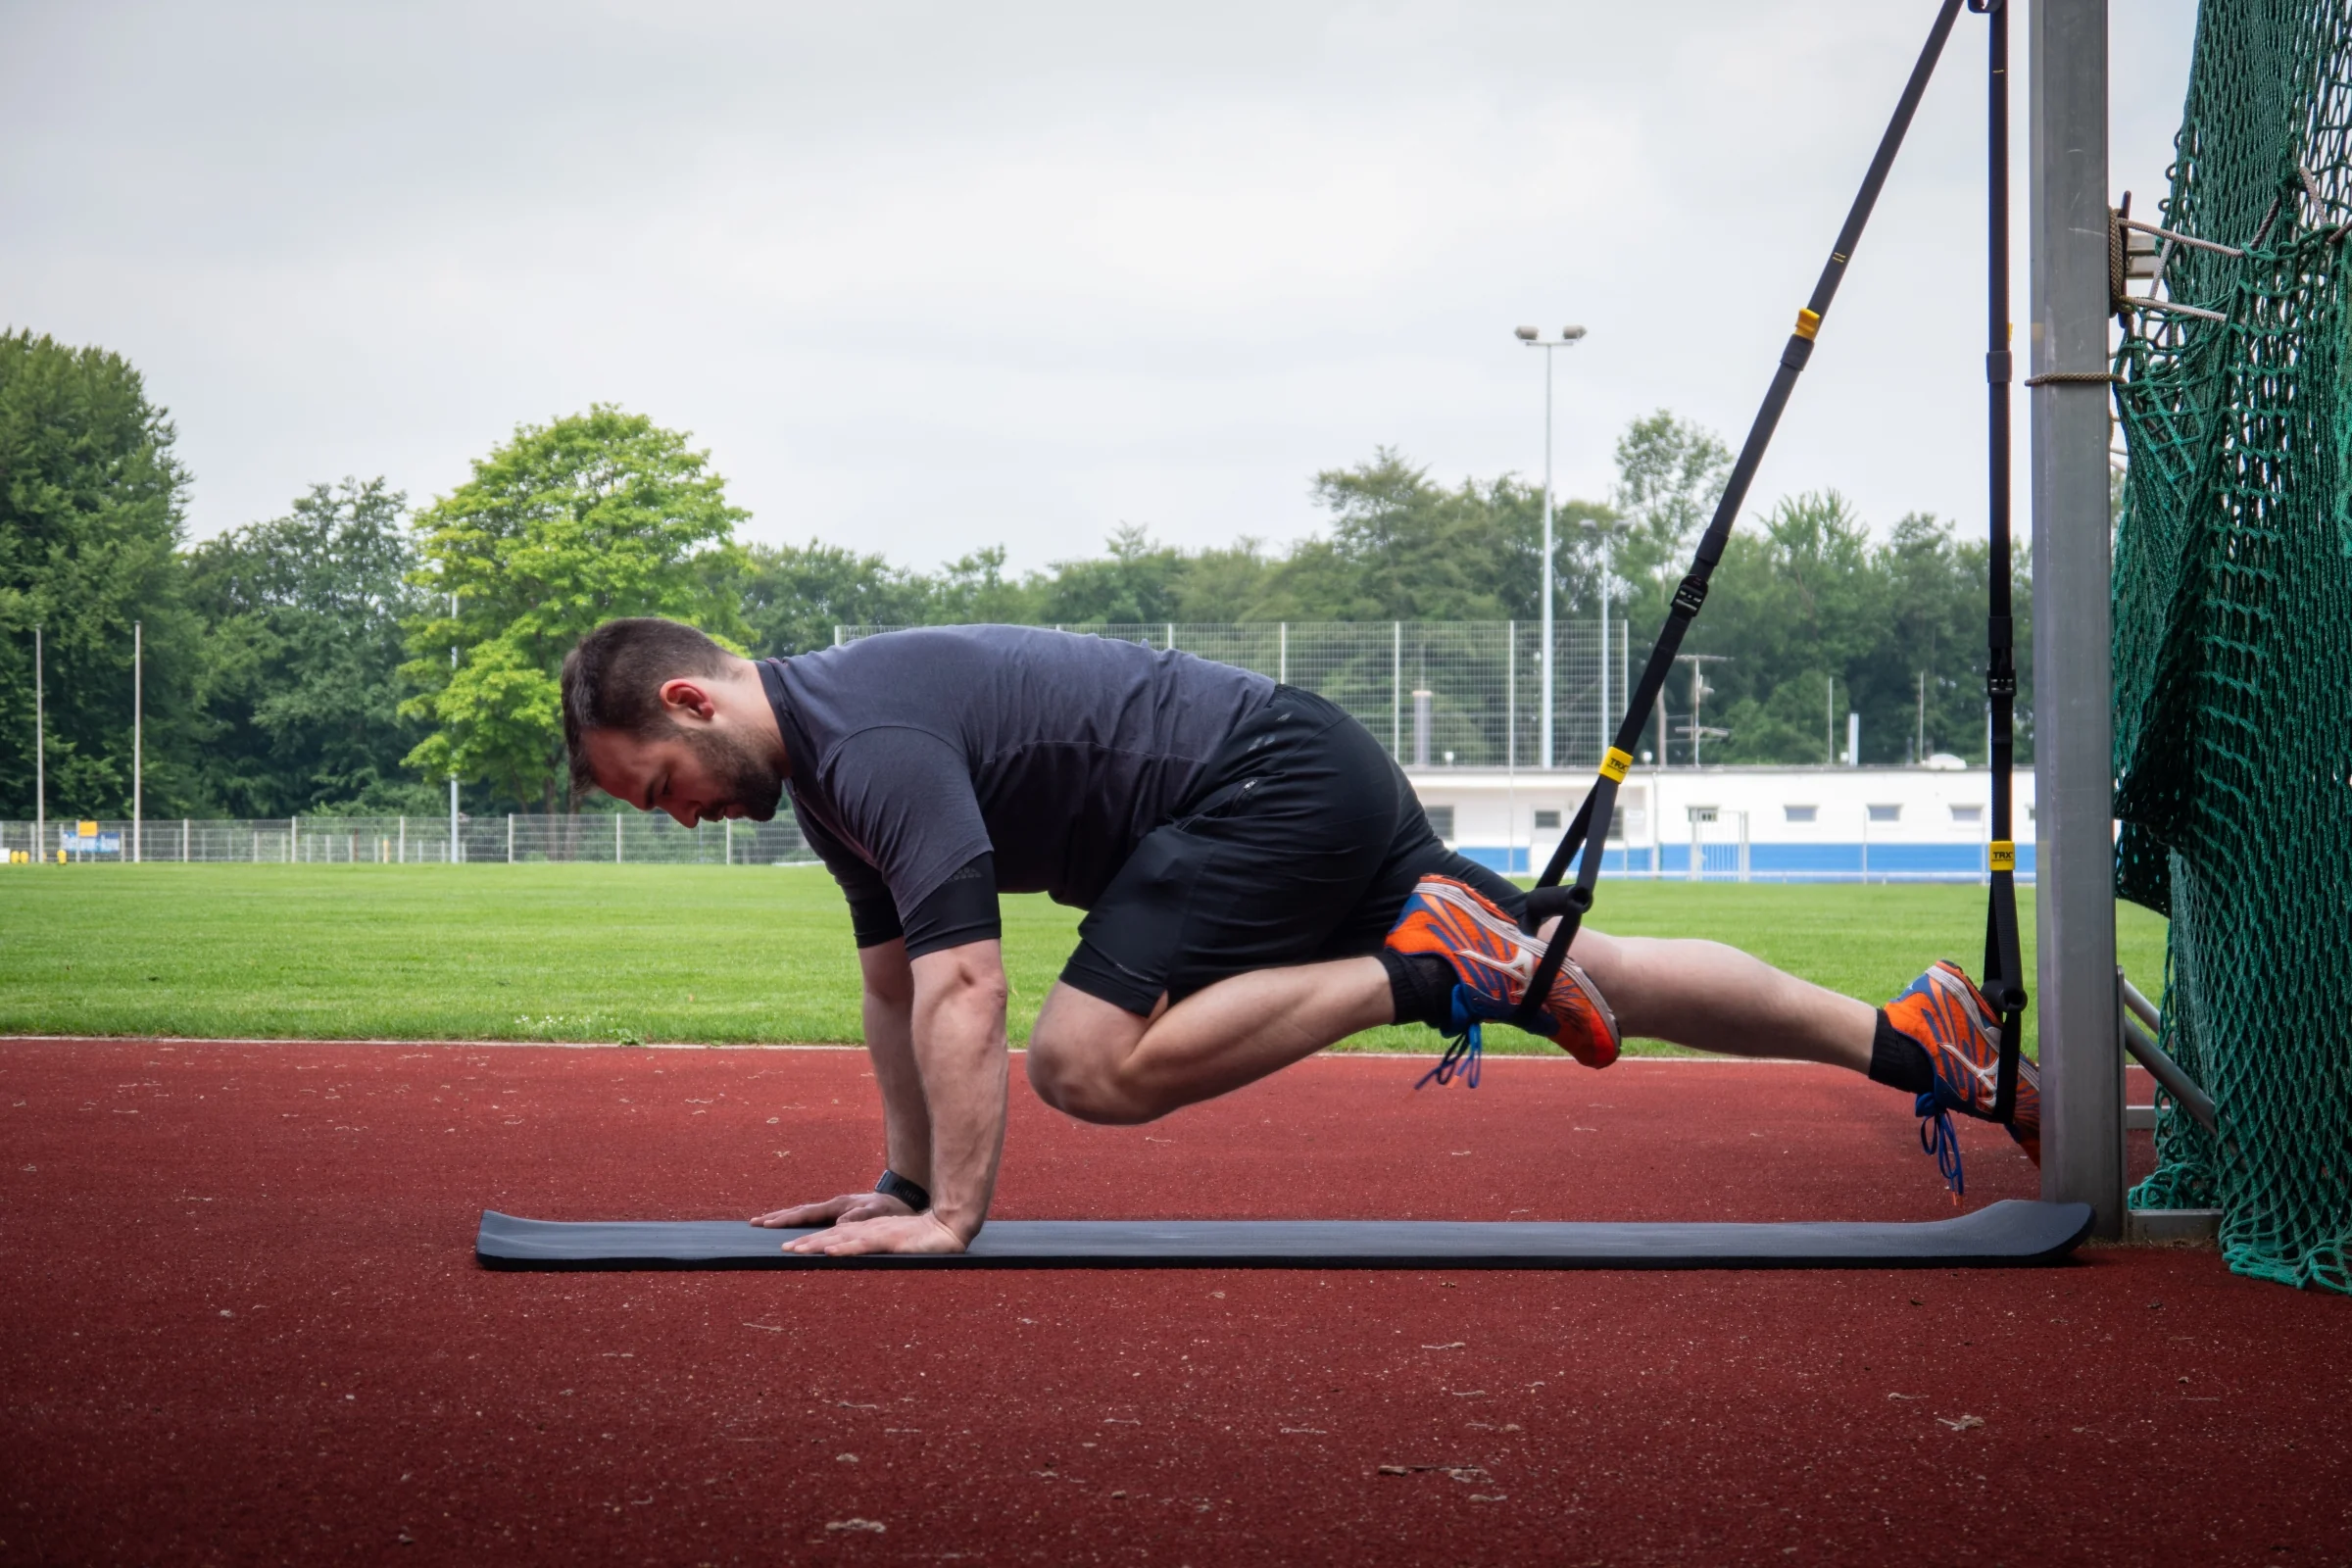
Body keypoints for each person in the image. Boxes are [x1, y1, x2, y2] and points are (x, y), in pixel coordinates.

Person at [562, 617, 2039, 1257]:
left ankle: (1420, 968)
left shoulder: (863, 741)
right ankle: (1918, 1041)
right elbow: (893, 990)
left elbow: (967, 981)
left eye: (660, 788)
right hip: (1289, 776)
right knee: (1563, 967)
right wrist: (894, 1179)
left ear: (690, 703)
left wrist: (953, 1218)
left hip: (1259, 786)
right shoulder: (830, 779)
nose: (678, 814)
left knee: (1086, 1064)